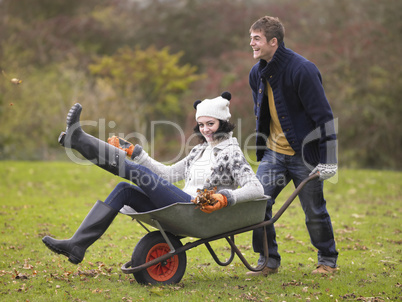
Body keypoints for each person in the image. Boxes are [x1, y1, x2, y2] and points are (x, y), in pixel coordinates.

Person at [42, 92, 264, 265]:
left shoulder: (231, 153)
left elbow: (256, 188)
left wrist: (225, 198)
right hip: (183, 208)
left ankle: (79, 140)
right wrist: (137, 154)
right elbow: (169, 174)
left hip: (197, 211)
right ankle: (77, 245)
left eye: (211, 124)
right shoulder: (199, 151)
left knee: (137, 174)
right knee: (124, 189)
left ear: (223, 123)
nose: (205, 130)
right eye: (202, 124)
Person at [247, 16, 339, 276]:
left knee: (314, 211)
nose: (251, 43)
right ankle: (268, 260)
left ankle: (327, 260)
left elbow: (324, 118)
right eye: (251, 38)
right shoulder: (256, 73)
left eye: (256, 39)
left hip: (305, 156)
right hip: (274, 154)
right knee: (256, 203)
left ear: (273, 42)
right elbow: (262, 114)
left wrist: (329, 161)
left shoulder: (302, 70)